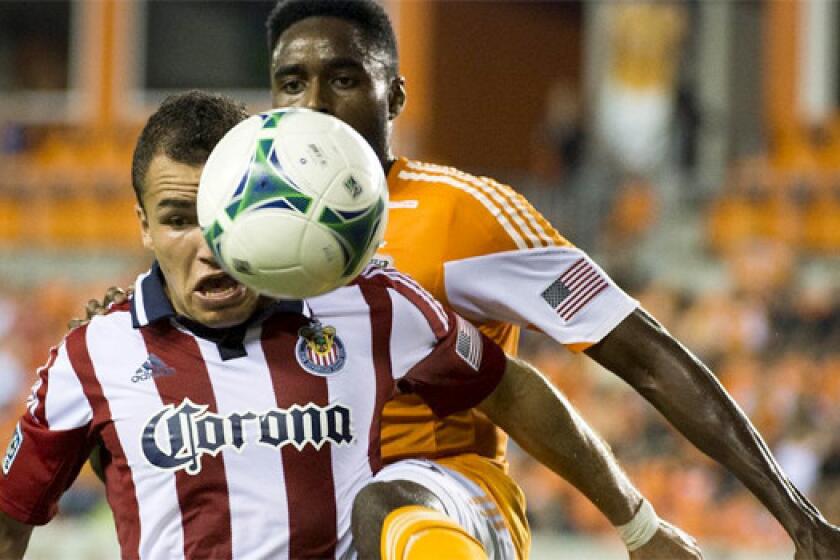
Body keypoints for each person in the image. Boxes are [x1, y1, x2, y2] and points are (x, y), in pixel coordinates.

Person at [0, 92, 700, 560]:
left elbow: (511, 389)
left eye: (224, 214)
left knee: (393, 507)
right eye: (180, 219)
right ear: (145, 228)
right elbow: (13, 512)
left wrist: (638, 524)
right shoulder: (92, 356)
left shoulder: (369, 305)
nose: (209, 244)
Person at [259, 0, 840, 557]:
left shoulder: (466, 216)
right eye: (292, 83)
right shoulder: (240, 229)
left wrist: (797, 515)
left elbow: (645, 356)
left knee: (382, 505)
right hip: (308, 506)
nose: (314, 105)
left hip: (447, 500)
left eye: (342, 80)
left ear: (395, 97)